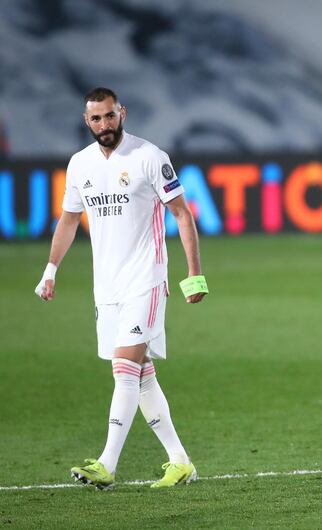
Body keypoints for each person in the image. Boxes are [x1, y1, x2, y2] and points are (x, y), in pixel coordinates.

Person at [34, 87, 209, 490]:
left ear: (122, 113)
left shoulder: (149, 157)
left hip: (145, 280)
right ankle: (180, 461)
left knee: (125, 368)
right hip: (106, 287)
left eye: (109, 116)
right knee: (142, 373)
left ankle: (106, 464)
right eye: (96, 119)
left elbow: (181, 214)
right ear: (86, 121)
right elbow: (68, 220)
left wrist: (194, 274)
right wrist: (50, 270)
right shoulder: (79, 165)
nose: (104, 125)